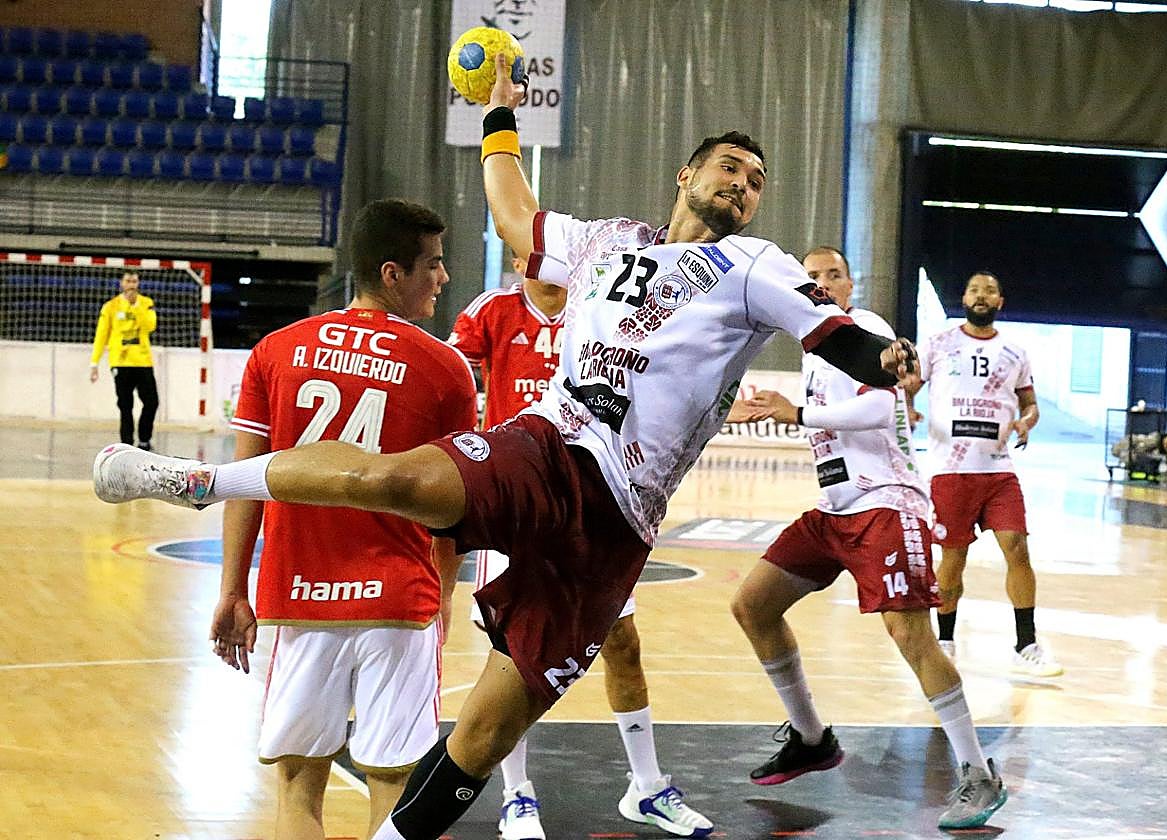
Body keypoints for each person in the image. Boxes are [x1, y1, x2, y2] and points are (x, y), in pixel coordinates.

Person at [94, 55, 920, 840]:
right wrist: (499, 115)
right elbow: (513, 211)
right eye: (730, 168)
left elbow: (834, 332)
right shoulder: (606, 241)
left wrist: (883, 361)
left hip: (619, 521)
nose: (742, 185)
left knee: (484, 733)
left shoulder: (750, 265)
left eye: (755, 181)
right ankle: (203, 476)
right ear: (687, 175)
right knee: (398, 482)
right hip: (551, 443)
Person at [209, 199, 477, 840]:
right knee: (394, 786)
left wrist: (231, 592)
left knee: (300, 783)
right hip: (397, 601)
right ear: (392, 273)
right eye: (433, 265)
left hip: (298, 599)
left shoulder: (276, 352)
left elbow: (246, 485)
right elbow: (453, 510)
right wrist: (440, 597)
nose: (442, 278)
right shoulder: (444, 369)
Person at [727, 247, 1007, 830]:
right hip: (835, 511)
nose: (823, 284)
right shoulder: (813, 346)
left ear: (851, 283)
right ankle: (810, 738)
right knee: (753, 604)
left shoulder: (867, 329)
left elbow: (880, 408)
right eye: (812, 278)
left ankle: (978, 774)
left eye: (833, 274)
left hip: (884, 502)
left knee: (910, 637)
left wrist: (794, 412)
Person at [449, 257, 710, 838]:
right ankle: (517, 796)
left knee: (624, 644)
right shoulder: (491, 311)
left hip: (592, 501)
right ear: (519, 259)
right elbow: (453, 379)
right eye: (529, 251)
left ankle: (646, 786)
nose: (540, 261)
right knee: (509, 653)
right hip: (518, 495)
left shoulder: (604, 306)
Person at [911, 271, 1062, 677]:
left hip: (998, 470)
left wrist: (1026, 421)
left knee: (1017, 547)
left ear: (1000, 301)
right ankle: (944, 639)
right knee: (953, 560)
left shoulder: (1015, 352)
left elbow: (1031, 404)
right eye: (975, 290)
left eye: (990, 290)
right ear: (963, 298)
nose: (981, 296)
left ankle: (1026, 644)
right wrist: (907, 406)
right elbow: (908, 385)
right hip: (951, 471)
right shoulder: (939, 344)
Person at [90, 271, 159, 450]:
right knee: (125, 405)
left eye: (134, 281)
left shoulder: (146, 303)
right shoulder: (110, 307)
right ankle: (127, 444)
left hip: (142, 361)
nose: (131, 285)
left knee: (152, 402)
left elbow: (150, 326)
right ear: (121, 283)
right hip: (120, 361)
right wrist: (94, 363)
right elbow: (101, 335)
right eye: (128, 281)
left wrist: (135, 307)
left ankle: (144, 439)